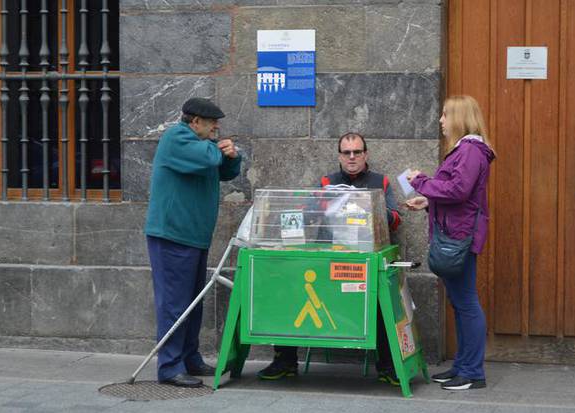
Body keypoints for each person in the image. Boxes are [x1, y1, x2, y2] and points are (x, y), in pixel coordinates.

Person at [257, 132, 403, 386]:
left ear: (365, 154)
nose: (352, 157)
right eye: (347, 153)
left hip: (365, 258)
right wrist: (290, 220)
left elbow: (396, 219)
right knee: (291, 291)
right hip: (329, 257)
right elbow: (308, 213)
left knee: (382, 302)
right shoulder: (327, 181)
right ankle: (285, 360)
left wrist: (372, 210)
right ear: (339, 156)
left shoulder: (381, 181)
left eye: (357, 152)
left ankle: (388, 366)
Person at [145, 97, 242, 387]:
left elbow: (224, 170)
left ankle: (190, 358)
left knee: (192, 303)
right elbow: (209, 158)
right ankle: (170, 367)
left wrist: (233, 156)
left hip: (194, 236)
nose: (217, 127)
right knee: (174, 304)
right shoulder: (177, 137)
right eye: (212, 122)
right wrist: (220, 149)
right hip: (172, 235)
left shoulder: (200, 144)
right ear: (195, 121)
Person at [405, 95, 495, 390]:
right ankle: (461, 366)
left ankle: (472, 373)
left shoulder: (470, 150)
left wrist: (420, 181)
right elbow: (457, 197)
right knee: (460, 302)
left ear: (459, 118)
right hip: (457, 233)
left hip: (460, 238)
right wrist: (429, 202)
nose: (441, 120)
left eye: (445, 115)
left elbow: (457, 190)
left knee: (466, 302)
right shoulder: (465, 151)